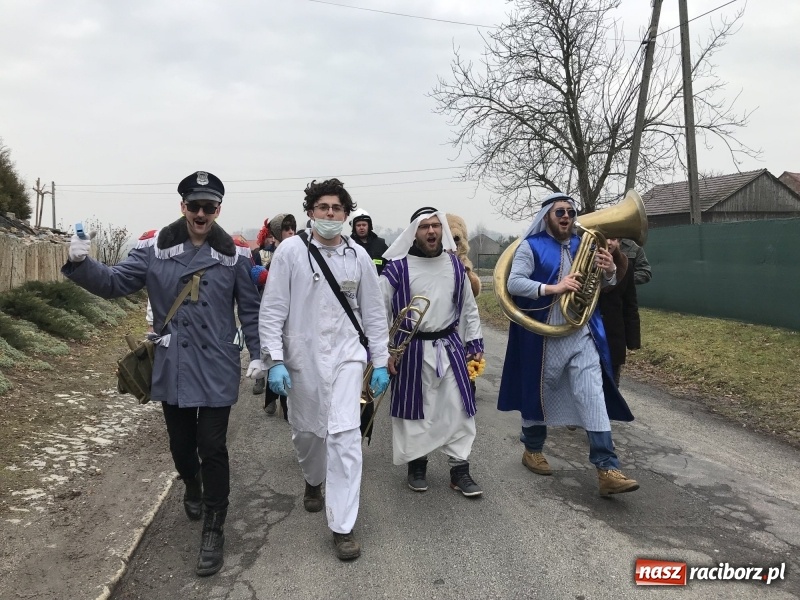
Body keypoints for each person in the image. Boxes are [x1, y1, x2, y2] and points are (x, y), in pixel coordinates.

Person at [62, 170, 264, 576]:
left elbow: (250, 312)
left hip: (217, 367)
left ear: (218, 210)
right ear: (183, 207)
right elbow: (117, 283)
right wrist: (82, 263)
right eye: (195, 206)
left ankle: (214, 527)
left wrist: (260, 356)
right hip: (173, 366)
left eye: (209, 207)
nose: (201, 213)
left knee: (213, 446)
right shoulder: (155, 249)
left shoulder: (235, 256)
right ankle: (190, 483)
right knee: (181, 445)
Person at [258, 178, 390, 561]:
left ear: (346, 215)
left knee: (345, 436)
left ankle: (343, 526)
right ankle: (312, 480)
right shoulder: (290, 253)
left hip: (348, 359)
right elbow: (273, 310)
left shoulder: (359, 258)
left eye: (337, 208)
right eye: (323, 207)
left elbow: (374, 315)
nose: (330, 214)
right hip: (303, 360)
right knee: (307, 433)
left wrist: (379, 361)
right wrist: (276, 360)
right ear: (311, 212)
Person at [496, 193, 639, 496]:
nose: (566, 216)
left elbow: (599, 286)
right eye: (559, 211)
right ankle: (532, 449)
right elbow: (514, 283)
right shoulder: (529, 246)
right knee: (541, 392)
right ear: (547, 215)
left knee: (592, 395)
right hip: (543, 336)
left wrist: (609, 271)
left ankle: (607, 468)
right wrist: (554, 287)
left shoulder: (584, 243)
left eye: (571, 212)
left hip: (580, 333)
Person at [380, 207, 485, 497]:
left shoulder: (455, 267)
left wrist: (474, 344)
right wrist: (383, 352)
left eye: (435, 226)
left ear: (442, 231)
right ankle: (417, 465)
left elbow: (469, 310)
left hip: (449, 348)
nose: (431, 231)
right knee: (415, 412)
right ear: (415, 232)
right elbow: (378, 312)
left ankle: (460, 470)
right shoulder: (397, 268)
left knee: (460, 409)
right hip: (411, 351)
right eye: (424, 226)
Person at [251, 213, 296, 417]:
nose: (291, 232)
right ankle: (270, 398)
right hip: (270, 309)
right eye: (286, 229)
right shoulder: (264, 254)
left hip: (294, 312)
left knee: (289, 357)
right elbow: (253, 279)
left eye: (292, 228)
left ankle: (287, 406)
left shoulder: (301, 252)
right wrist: (262, 277)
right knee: (274, 356)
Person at [598, 238, 637, 386]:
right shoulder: (584, 261)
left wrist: (632, 340)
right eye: (605, 237)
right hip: (590, 333)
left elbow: (630, 304)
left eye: (613, 239)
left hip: (614, 336)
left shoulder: (626, 264)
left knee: (612, 384)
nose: (608, 242)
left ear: (619, 242)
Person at [349, 208, 389, 274]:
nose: (361, 228)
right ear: (354, 227)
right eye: (358, 225)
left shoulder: (380, 244)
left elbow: (390, 264)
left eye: (364, 225)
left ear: (369, 226)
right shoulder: (349, 245)